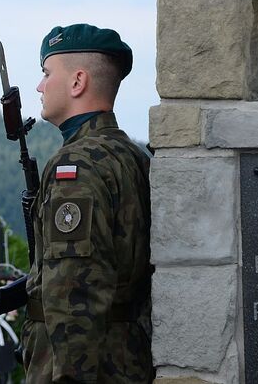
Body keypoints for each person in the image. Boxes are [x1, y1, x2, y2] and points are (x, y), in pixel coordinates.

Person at [21, 24, 153, 383]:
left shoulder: (76, 166)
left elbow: (74, 291)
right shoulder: (132, 156)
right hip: (124, 357)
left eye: (47, 74)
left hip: (84, 367)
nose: (40, 86)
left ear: (78, 82)